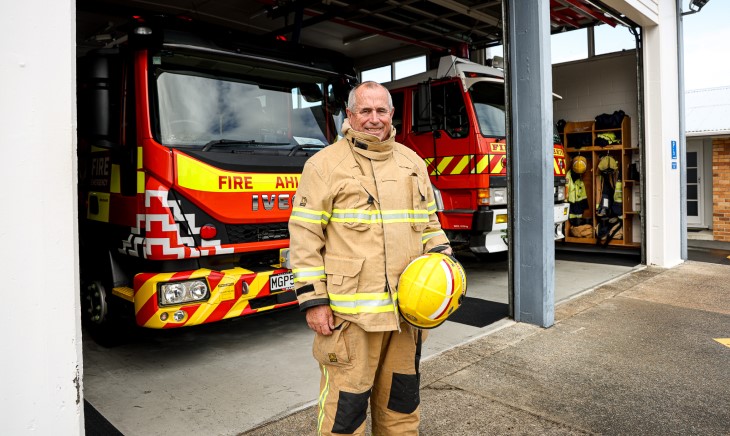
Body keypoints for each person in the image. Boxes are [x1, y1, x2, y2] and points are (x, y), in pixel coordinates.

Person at [288, 81, 452, 435]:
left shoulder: (412, 163)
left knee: (401, 409)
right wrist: (314, 301)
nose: (374, 119)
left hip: (407, 318)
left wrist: (444, 264)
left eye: (381, 111)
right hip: (351, 321)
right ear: (349, 115)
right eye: (365, 111)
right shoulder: (323, 165)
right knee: (344, 417)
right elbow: (304, 238)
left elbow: (428, 225)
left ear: (392, 114)